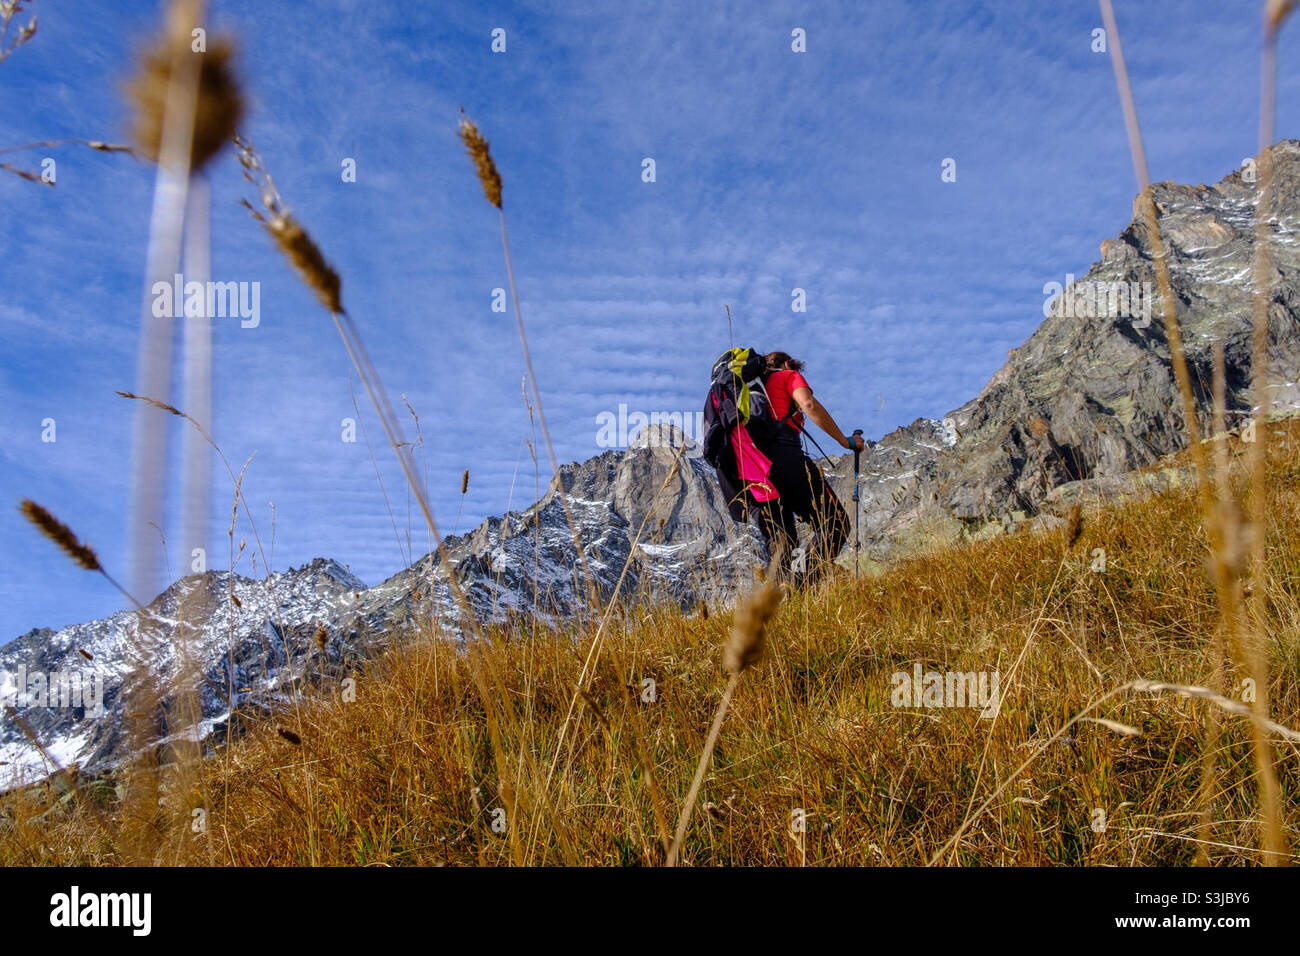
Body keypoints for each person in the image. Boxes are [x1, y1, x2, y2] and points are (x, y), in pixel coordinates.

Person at [755, 351, 864, 583]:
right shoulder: (787, 375)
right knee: (835, 523)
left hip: (757, 470)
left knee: (782, 545)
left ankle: (777, 607)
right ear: (786, 363)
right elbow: (808, 403)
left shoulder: (752, 391)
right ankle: (800, 585)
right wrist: (846, 441)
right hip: (787, 458)